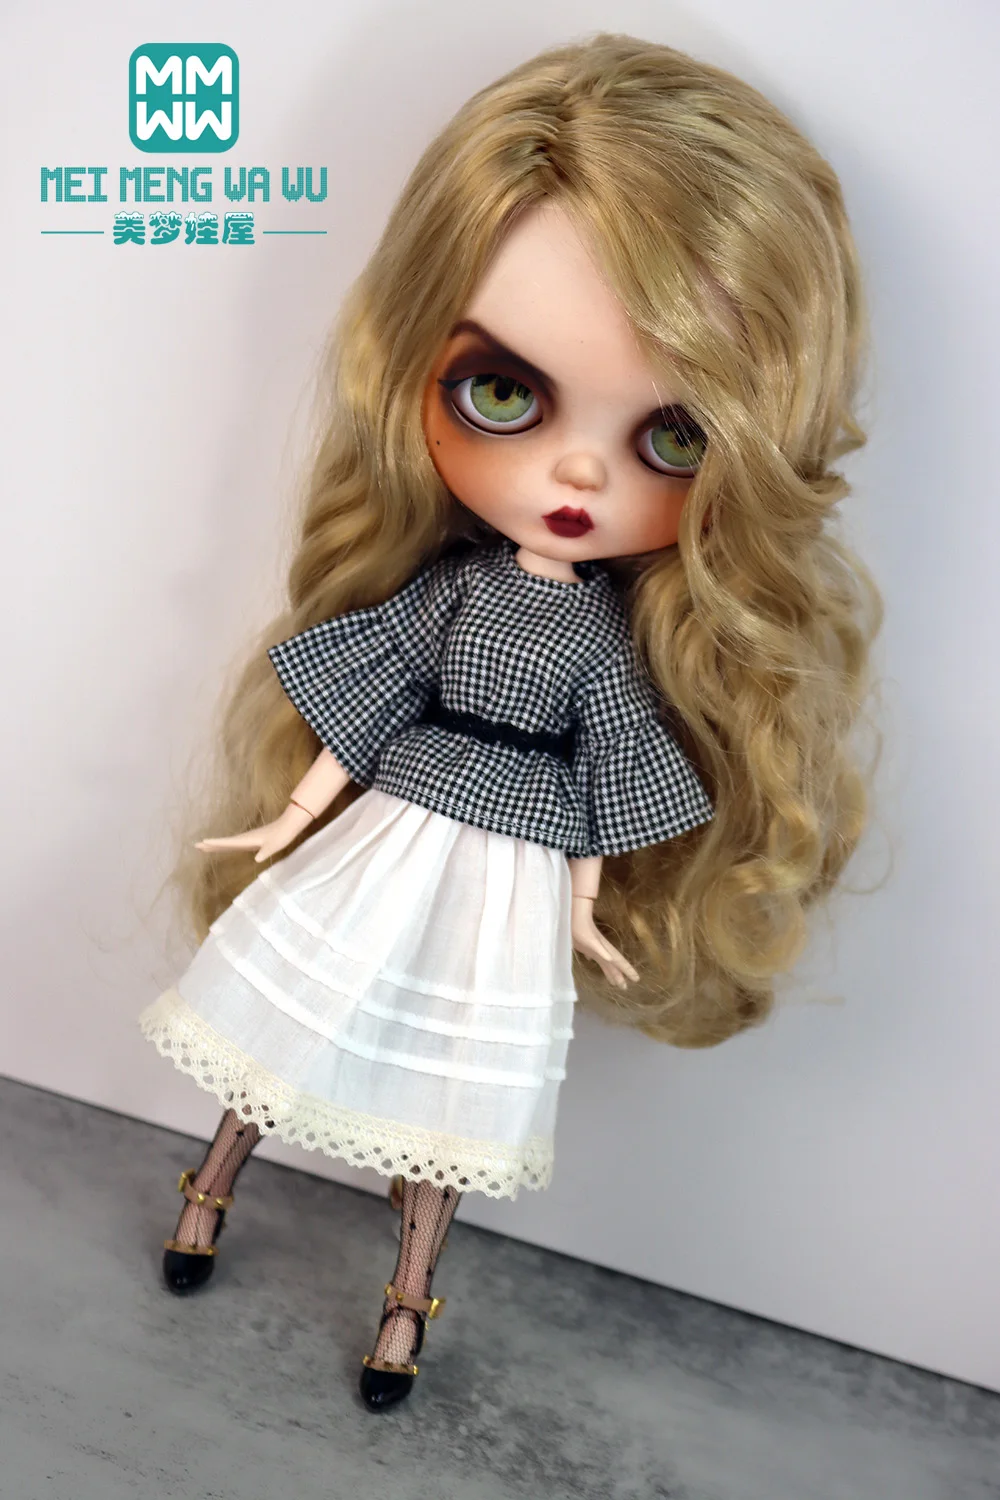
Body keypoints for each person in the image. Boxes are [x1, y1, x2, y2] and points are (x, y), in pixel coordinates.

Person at [139, 33, 882, 1412]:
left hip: (509, 878)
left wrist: (588, 907)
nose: (579, 470)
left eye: (675, 438)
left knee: (450, 1105)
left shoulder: (602, 644)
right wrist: (289, 820)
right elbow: (368, 705)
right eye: (504, 395)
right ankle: (208, 1193)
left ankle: (405, 1303)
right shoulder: (451, 594)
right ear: (413, 370)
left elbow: (609, 774)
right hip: (397, 826)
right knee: (280, 1034)